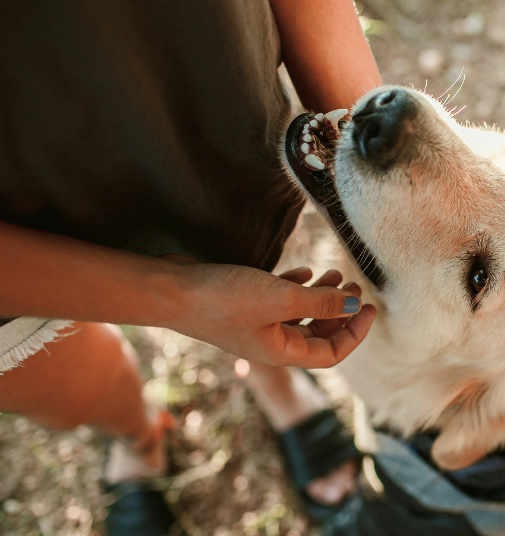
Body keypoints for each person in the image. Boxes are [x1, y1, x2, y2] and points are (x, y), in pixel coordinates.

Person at [0, 1, 381, 533]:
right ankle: (137, 432)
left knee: (250, 262)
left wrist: (371, 148)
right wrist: (176, 296)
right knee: (67, 394)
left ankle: (274, 379)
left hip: (175, 79)